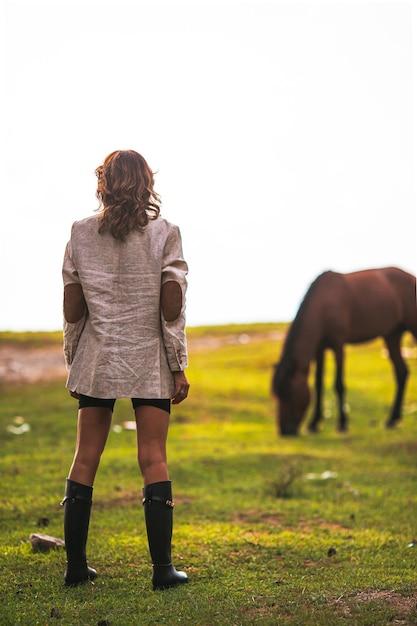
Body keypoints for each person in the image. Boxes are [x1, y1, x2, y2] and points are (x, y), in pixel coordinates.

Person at [60, 149, 190, 591]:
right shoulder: (165, 234)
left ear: (104, 182)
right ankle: (162, 571)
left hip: (98, 361)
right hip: (148, 360)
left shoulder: (80, 233)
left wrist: (74, 363)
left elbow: (73, 310)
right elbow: (170, 310)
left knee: (85, 458)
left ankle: (75, 567)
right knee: (153, 457)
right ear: (146, 183)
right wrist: (179, 367)